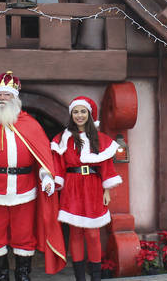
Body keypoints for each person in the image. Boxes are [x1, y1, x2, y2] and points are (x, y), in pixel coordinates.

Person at [0, 71, 66, 281]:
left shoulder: (31, 125)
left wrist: (46, 177)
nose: (2, 99)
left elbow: (42, 156)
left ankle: (22, 275)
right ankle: (1, 276)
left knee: (24, 235)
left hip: (25, 190)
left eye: (7, 95)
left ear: (15, 98)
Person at [51, 96, 122, 281]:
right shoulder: (62, 138)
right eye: (76, 112)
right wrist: (55, 183)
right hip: (72, 186)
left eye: (83, 111)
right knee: (75, 233)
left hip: (93, 186)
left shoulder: (100, 139)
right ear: (71, 115)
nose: (79, 115)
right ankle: (80, 278)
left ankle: (96, 277)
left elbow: (107, 166)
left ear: (89, 114)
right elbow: (57, 164)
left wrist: (107, 190)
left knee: (92, 233)